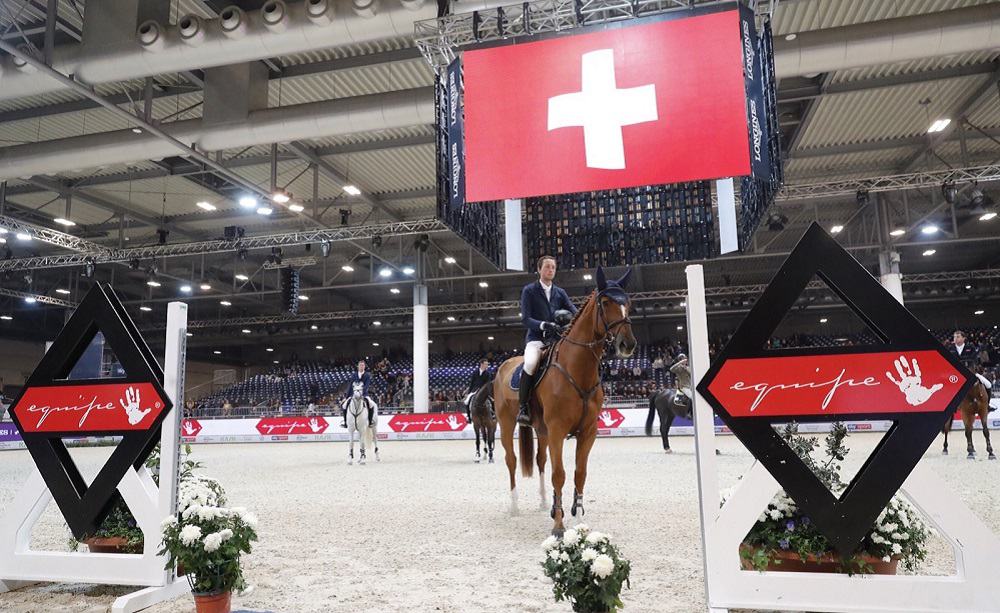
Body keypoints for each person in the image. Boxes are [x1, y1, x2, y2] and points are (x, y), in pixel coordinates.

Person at [517, 255, 578, 426]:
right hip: (537, 339)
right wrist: (544, 325)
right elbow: (526, 319)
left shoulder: (560, 292)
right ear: (539, 269)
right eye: (547, 267)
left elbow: (575, 312)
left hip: (557, 340)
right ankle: (523, 408)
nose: (551, 270)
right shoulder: (529, 290)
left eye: (553, 267)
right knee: (530, 363)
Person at [341, 360, 374, 428]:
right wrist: (346, 397)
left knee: (371, 404)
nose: (361, 366)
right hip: (354, 394)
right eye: (360, 365)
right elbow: (350, 386)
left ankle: (370, 422)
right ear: (358, 366)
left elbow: (367, 385)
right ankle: (345, 422)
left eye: (363, 365)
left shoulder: (367, 375)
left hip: (364, 394)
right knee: (344, 405)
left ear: (364, 366)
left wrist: (361, 392)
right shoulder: (354, 375)